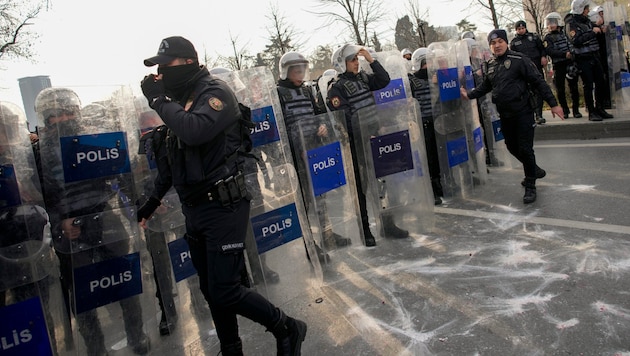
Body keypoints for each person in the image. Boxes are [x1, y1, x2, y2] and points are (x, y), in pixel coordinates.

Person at [138, 36, 306, 356]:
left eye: (165, 65)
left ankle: (287, 327)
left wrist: (159, 101)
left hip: (224, 203)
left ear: (187, 62)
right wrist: (152, 200)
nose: (160, 72)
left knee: (226, 289)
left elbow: (194, 130)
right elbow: (173, 161)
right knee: (210, 288)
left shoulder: (214, 93)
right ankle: (231, 348)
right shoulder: (182, 100)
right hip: (195, 208)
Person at [34, 87, 150, 355]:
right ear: (46, 118)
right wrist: (59, 223)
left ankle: (137, 336)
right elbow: (40, 198)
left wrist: (141, 203)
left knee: (125, 281)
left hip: (104, 217)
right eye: (56, 115)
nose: (63, 119)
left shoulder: (93, 140)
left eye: (68, 112)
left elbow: (123, 176)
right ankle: (96, 348)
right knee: (83, 296)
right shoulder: (40, 153)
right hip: (69, 229)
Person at [460, 29, 565, 204]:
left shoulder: (519, 60)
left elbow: (538, 82)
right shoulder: (490, 64)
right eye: (493, 43)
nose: (497, 45)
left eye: (500, 41)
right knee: (511, 146)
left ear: (506, 42)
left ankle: (530, 185)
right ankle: (534, 169)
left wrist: (553, 104)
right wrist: (469, 95)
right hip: (505, 114)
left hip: (523, 112)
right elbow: (485, 86)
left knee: (525, 148)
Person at [326, 44, 409, 246]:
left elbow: (384, 80)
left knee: (383, 184)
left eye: (357, 59)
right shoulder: (336, 88)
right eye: (352, 60)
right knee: (361, 189)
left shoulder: (363, 78)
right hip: (357, 144)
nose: (357, 63)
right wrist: (365, 133)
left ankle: (388, 224)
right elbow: (345, 118)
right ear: (341, 64)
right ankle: (365, 230)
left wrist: (371, 60)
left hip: (376, 140)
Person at [276, 51, 352, 250]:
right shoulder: (278, 94)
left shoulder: (307, 91)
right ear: (286, 71)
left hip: (315, 149)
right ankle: (310, 243)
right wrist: (297, 149)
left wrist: (323, 127)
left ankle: (327, 236)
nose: (300, 73)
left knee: (321, 196)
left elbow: (320, 114)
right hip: (296, 154)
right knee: (304, 202)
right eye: (296, 70)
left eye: (302, 69)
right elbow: (281, 129)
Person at [566, 0, 614, 121]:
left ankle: (600, 108)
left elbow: (593, 28)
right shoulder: (571, 23)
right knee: (588, 85)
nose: (587, 10)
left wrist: (600, 28)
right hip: (583, 57)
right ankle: (591, 111)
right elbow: (576, 40)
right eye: (586, 8)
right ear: (580, 9)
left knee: (600, 81)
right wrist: (592, 33)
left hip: (594, 55)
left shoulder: (587, 21)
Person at [407, 48, 444, 205]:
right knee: (427, 157)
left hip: (438, 121)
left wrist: (438, 84)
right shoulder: (412, 80)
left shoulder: (436, 76)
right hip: (422, 124)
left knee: (438, 155)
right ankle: (431, 187)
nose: (430, 65)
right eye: (426, 62)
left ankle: (440, 182)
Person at [543, 12, 583, 119]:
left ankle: (576, 110)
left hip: (570, 63)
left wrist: (572, 53)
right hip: (558, 64)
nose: (550, 25)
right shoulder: (548, 38)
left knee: (573, 87)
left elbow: (573, 44)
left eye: (553, 23)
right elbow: (549, 50)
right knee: (560, 89)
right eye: (549, 23)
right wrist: (564, 54)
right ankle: (565, 110)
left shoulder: (566, 33)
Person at [510, 20, 548, 125]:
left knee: (539, 91)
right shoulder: (514, 42)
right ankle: (531, 115)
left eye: (522, 28)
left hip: (536, 68)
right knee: (527, 93)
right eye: (519, 29)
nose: (521, 30)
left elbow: (542, 49)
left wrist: (543, 57)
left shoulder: (534, 38)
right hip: (523, 72)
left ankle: (539, 114)